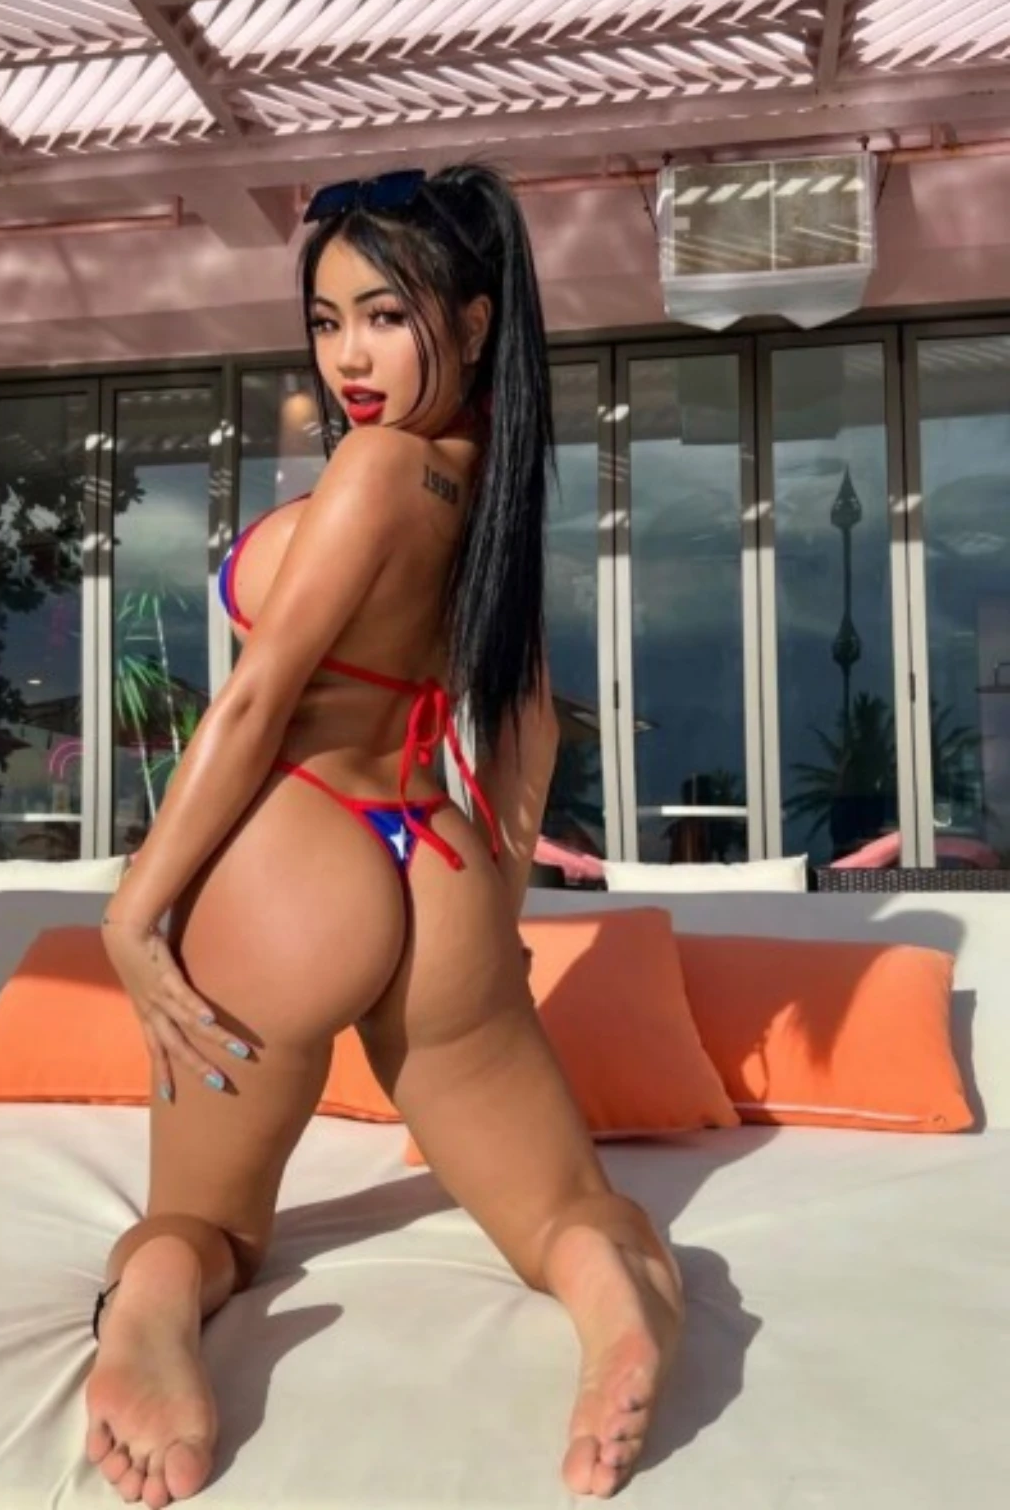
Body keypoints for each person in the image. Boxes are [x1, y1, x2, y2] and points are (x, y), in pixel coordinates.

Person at [88, 163, 684, 1506]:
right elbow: (523, 724)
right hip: (443, 858)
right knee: (561, 1215)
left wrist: (132, 912)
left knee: (203, 1226)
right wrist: (499, 911)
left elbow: (257, 701)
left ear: (472, 321)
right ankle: (610, 1293)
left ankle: (154, 1305)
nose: (348, 358)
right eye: (325, 320)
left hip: (301, 851)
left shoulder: (373, 467)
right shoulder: (494, 486)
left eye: (385, 316)